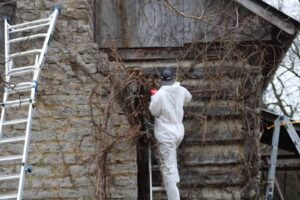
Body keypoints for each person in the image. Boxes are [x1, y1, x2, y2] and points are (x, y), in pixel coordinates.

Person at [149, 68, 192, 200]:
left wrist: (153, 96)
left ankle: (174, 196)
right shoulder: (182, 90)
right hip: (178, 133)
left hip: (166, 135)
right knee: (168, 161)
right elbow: (188, 99)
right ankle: (174, 178)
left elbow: (153, 111)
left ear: (161, 80)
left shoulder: (159, 95)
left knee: (168, 170)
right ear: (174, 78)